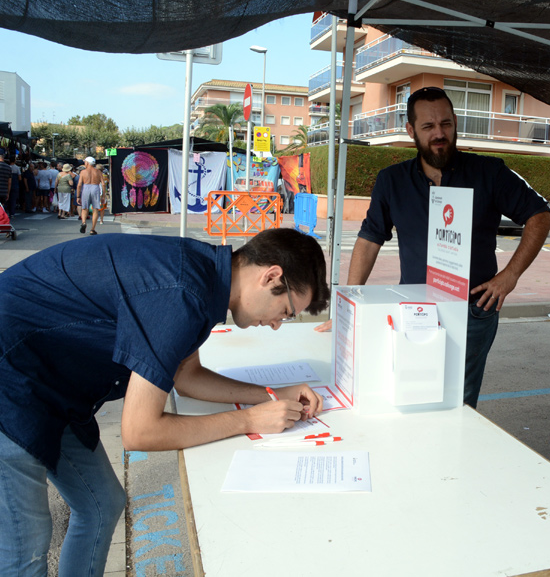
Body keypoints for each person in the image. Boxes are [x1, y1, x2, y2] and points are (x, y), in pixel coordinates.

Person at [0, 228, 330, 575]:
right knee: (26, 547)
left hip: (54, 382)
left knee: (102, 505)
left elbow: (185, 377)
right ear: (271, 276)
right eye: (288, 311)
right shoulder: (182, 293)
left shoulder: (203, 275)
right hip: (13, 375)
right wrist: (249, 421)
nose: (279, 324)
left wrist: (271, 395)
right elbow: (140, 432)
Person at [316, 86, 550, 407]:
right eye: (428, 127)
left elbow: (540, 216)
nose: (439, 134)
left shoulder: (490, 172)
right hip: (415, 310)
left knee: (459, 402)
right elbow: (370, 239)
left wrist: (510, 276)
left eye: (445, 124)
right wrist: (347, 309)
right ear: (411, 130)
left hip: (474, 310)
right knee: (411, 394)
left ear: (455, 122)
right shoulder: (392, 180)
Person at [76, 156, 105, 234]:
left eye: (85, 162)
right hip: (95, 187)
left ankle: (84, 222)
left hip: (86, 187)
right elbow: (103, 184)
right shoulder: (98, 172)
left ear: (87, 163)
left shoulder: (83, 172)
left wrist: (78, 196)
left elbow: (79, 185)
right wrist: (103, 196)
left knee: (84, 208)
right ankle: (92, 229)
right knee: (95, 209)